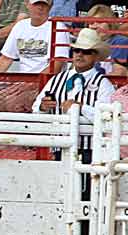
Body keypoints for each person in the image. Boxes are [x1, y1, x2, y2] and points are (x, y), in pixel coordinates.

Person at [33, 28, 115, 159]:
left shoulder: (103, 84)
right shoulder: (56, 79)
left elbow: (108, 118)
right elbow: (36, 108)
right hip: (59, 146)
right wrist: (43, 107)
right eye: (77, 50)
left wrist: (81, 108)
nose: (80, 55)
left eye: (86, 52)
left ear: (96, 56)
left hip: (91, 150)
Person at [0, 0, 69, 74]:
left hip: (48, 83)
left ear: (50, 6)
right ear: (27, 4)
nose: (40, 7)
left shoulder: (58, 27)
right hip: (26, 81)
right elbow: (5, 59)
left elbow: (57, 65)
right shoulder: (20, 26)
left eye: (44, 4)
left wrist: (34, 83)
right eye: (36, 4)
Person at [86, 4, 128, 76]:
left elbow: (119, 73)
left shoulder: (120, 41)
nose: (94, 26)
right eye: (91, 22)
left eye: (99, 22)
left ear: (110, 24)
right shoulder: (86, 42)